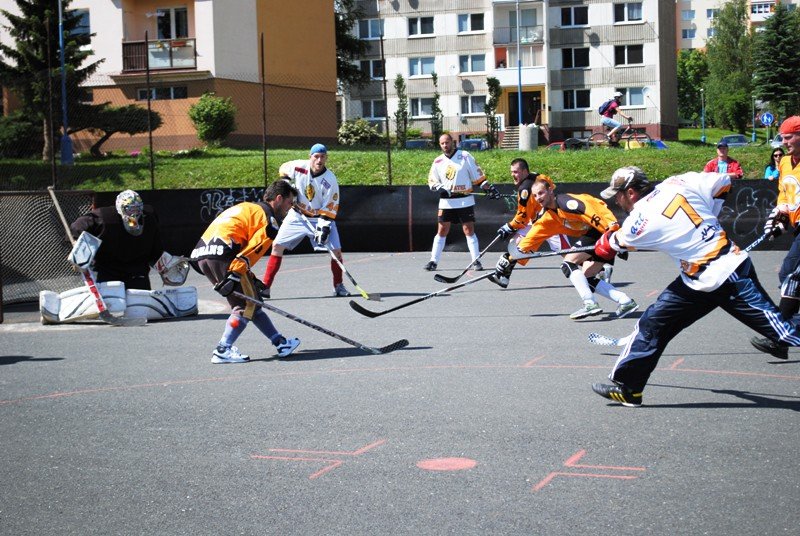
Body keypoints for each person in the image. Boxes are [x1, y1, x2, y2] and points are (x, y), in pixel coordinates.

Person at [590, 167, 800, 407]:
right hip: (696, 280)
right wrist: (710, 217)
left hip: (727, 275)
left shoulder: (640, 220)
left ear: (631, 192)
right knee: (653, 322)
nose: (617, 201)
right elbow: (723, 182)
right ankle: (629, 388)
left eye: (618, 195)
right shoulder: (678, 181)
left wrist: (604, 242)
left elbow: (610, 246)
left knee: (784, 332)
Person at [489, 175, 638, 320]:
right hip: (598, 235)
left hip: (602, 232)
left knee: (568, 263)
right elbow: (530, 240)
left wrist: (614, 234)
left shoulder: (567, 203)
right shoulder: (547, 219)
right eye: (535, 196)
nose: (538, 198)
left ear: (550, 190)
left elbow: (595, 212)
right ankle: (625, 301)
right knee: (586, 278)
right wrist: (511, 259)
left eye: (541, 193)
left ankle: (589, 303)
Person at [40, 189, 198, 324]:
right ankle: (60, 307)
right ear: (120, 209)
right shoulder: (104, 218)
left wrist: (166, 265)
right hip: (108, 269)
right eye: (129, 209)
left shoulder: (149, 219)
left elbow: (154, 249)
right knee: (112, 301)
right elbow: (76, 227)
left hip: (136, 270)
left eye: (137, 209)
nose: (134, 214)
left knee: (139, 305)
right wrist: (77, 246)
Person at [191, 180, 301, 364]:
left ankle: (280, 343)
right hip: (224, 255)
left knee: (254, 302)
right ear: (279, 199)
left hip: (203, 255)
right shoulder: (269, 220)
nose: (290, 208)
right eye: (290, 202)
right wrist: (236, 273)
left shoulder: (248, 207)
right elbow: (254, 249)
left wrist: (250, 277)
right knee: (244, 306)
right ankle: (223, 349)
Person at [261, 144, 351, 297]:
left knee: (336, 251)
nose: (319, 160)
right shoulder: (298, 167)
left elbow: (331, 205)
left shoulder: (330, 179)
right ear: (310, 157)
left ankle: (338, 286)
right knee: (277, 246)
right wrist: (286, 183)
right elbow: (283, 168)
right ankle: (265, 287)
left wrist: (323, 227)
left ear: (326, 158)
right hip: (297, 215)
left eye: (322, 157)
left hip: (320, 218)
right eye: (316, 156)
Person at [751, 116, 800, 359]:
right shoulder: (786, 163)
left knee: (791, 275)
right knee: (790, 277)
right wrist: (781, 214)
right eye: (782, 137)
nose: (784, 142)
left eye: (789, 137)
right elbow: (784, 193)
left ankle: (780, 337)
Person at [424, 133, 500, 271]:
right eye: (442, 143)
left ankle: (476, 261)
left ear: (452, 142)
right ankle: (433, 261)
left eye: (447, 142)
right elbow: (432, 182)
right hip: (446, 202)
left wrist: (489, 188)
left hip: (464, 201)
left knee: (468, 230)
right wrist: (440, 187)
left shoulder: (465, 156)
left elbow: (478, 177)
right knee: (442, 230)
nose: (445, 145)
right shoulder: (437, 161)